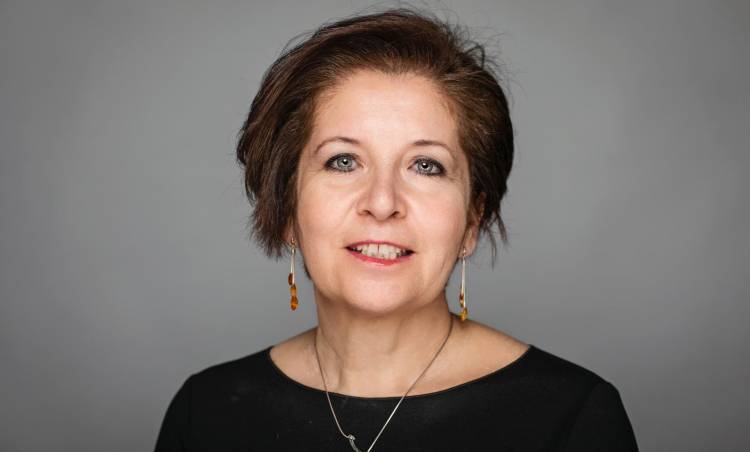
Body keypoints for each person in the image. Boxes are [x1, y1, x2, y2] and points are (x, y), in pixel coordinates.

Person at [154, 7, 638, 451]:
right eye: (344, 161)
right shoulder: (206, 413)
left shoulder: (573, 418)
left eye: (426, 166)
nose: (382, 203)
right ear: (286, 209)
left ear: (472, 220)